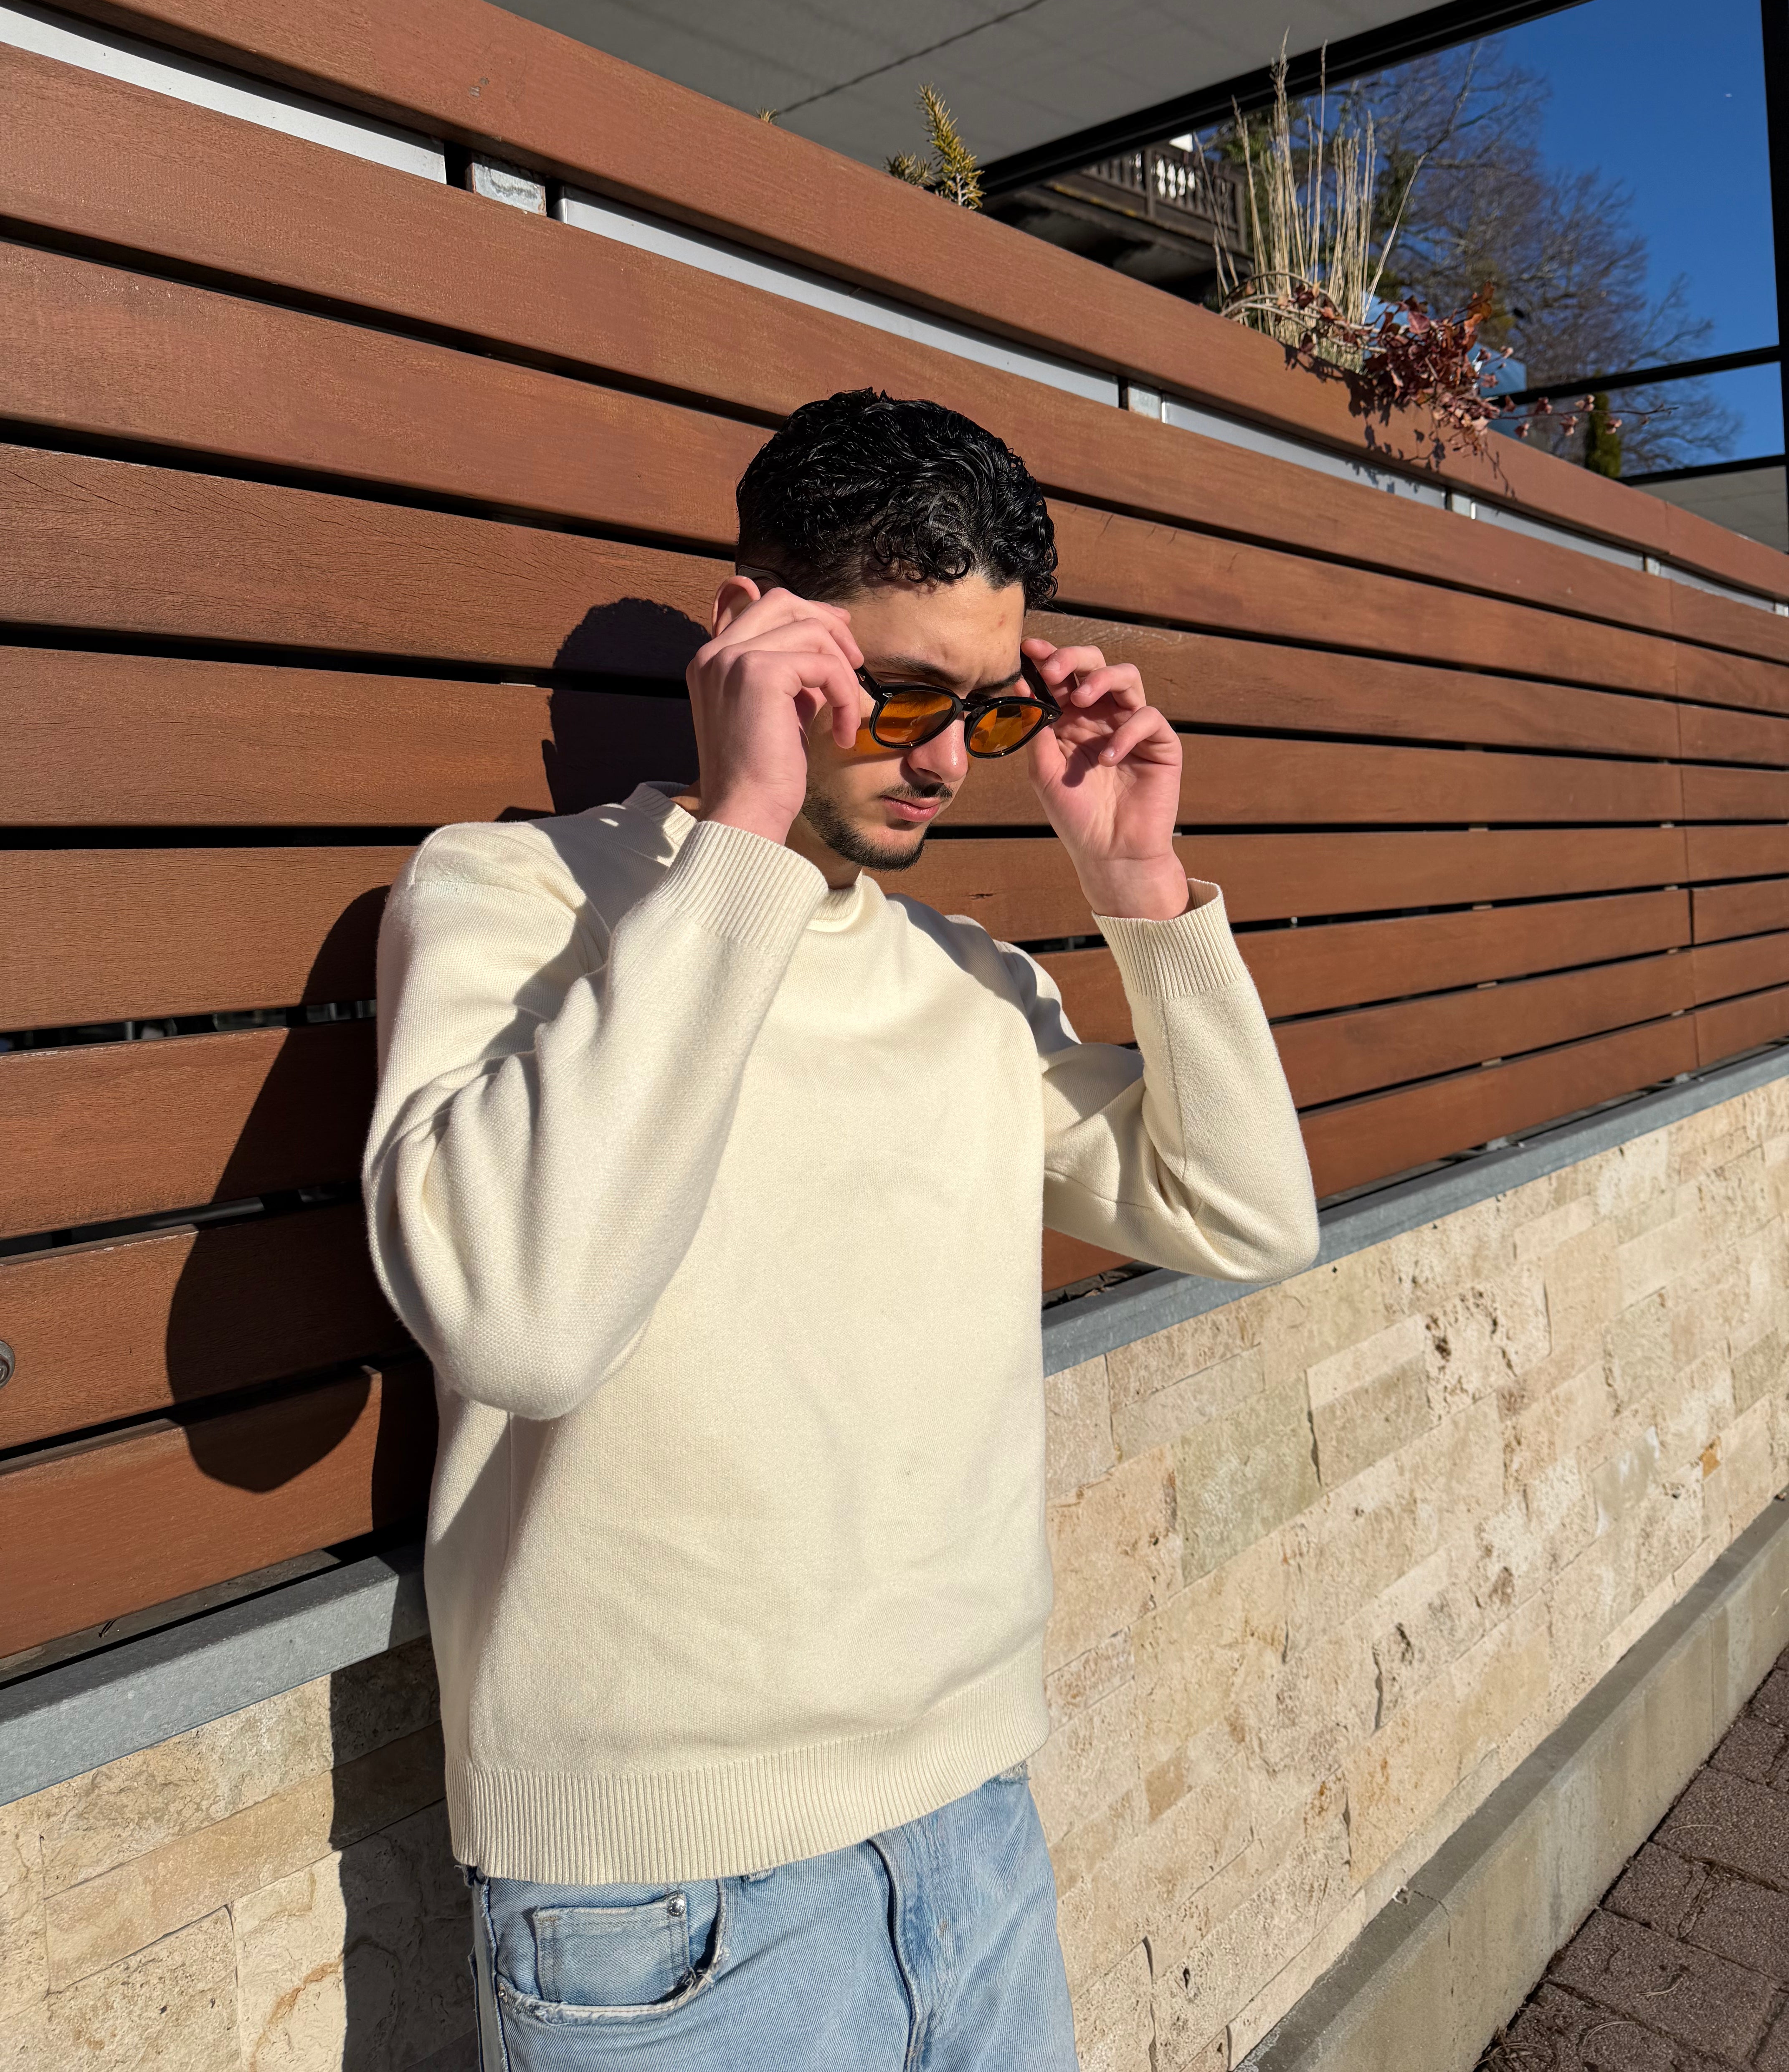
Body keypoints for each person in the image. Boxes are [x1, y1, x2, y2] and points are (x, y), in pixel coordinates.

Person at [362, 388, 1318, 2070]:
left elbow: (1244, 1217)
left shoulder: (969, 982)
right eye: (903, 695)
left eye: (989, 711)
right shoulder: (510, 900)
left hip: (975, 1816)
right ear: (752, 634)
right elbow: (525, 1324)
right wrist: (741, 832)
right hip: (663, 1902)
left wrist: (1142, 892)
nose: (945, 761)